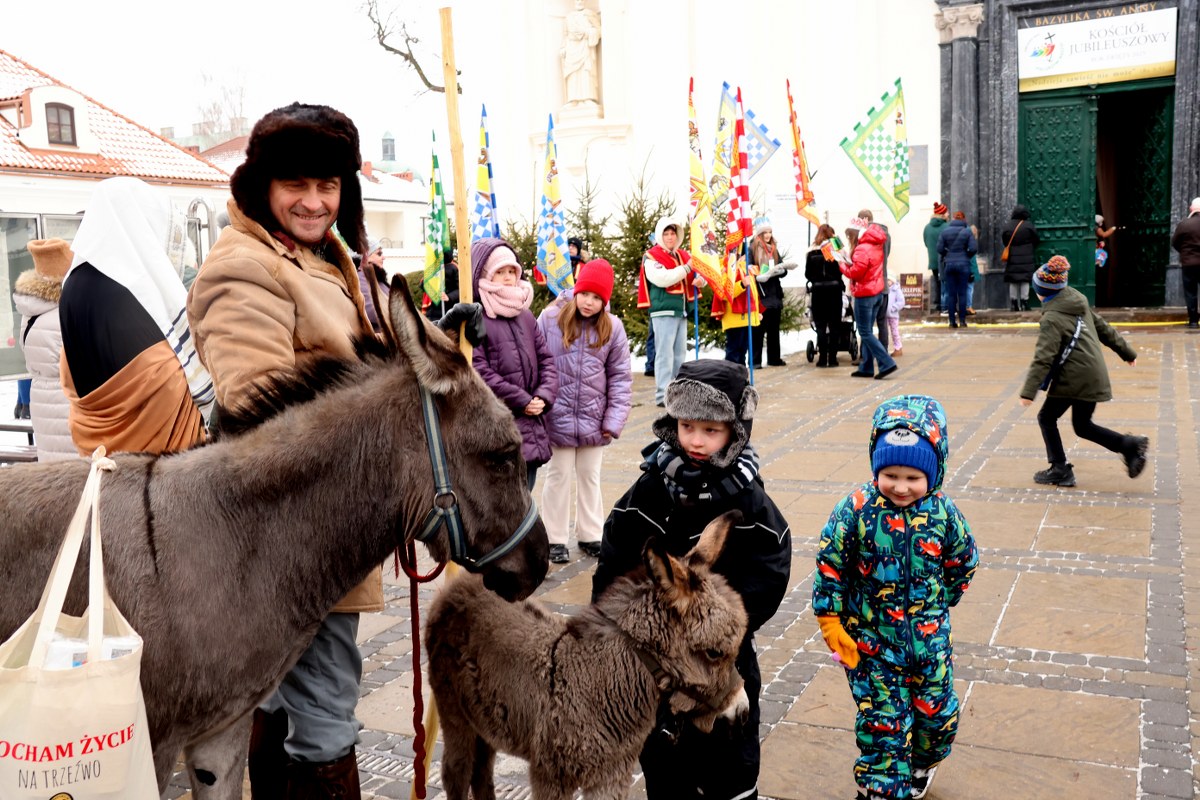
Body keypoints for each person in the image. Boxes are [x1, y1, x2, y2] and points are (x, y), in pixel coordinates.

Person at [188, 102, 383, 797]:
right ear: (263, 187)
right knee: (326, 706)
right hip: (293, 541)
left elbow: (343, 353)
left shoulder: (320, 255)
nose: (314, 201)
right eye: (296, 184)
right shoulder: (243, 266)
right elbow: (258, 407)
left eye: (328, 185)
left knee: (275, 699)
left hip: (324, 530)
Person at [592, 358, 791, 800]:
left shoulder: (751, 502)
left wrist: (720, 627)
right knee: (664, 761)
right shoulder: (647, 493)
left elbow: (771, 567)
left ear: (734, 432)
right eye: (687, 426)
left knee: (730, 756)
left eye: (711, 430)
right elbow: (613, 559)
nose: (696, 440)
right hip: (658, 666)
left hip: (723, 659)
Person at [813, 394, 978, 800]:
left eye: (913, 477)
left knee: (938, 719)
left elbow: (964, 560)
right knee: (884, 727)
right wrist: (831, 621)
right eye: (891, 475)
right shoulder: (855, 509)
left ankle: (922, 762)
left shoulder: (943, 513)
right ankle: (880, 790)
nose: (901, 487)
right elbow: (830, 563)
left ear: (934, 473)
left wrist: (939, 603)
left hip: (930, 642)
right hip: (871, 643)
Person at [61, 176, 214, 456]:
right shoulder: (129, 288)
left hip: (98, 451)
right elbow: (162, 381)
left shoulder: (72, 283)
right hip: (155, 467)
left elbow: (71, 372)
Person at [1018, 255, 1149, 487]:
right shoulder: (1077, 301)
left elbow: (1043, 357)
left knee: (1047, 418)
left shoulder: (1052, 317)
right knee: (1082, 425)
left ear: (1043, 292)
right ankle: (1129, 445)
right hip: (1093, 374)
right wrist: (1127, 352)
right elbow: (1104, 328)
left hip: (1075, 378)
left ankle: (1060, 469)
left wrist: (1028, 392)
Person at [536, 258, 631, 564]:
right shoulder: (550, 319)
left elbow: (620, 377)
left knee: (590, 476)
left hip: (594, 417)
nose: (589, 303)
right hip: (557, 414)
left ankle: (590, 533)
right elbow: (536, 363)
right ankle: (554, 537)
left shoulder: (613, 328)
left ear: (605, 301)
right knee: (558, 476)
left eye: (597, 298)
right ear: (576, 291)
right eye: (585, 294)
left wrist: (613, 420)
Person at [470, 236, 559, 491]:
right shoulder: (477, 316)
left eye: (512, 271)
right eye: (500, 271)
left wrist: (543, 396)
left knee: (525, 497)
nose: (509, 277)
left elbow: (546, 360)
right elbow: (479, 371)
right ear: (485, 274)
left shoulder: (525, 314)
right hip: (496, 429)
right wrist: (522, 400)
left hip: (531, 426)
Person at [13, 239, 74, 460]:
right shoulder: (66, 312)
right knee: (75, 473)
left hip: (41, 399)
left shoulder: (30, 311)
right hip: (68, 401)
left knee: (52, 463)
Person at [638, 216, 703, 405]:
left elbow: (695, 275)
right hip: (663, 310)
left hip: (680, 310)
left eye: (673, 233)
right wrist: (687, 268)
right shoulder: (652, 256)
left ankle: (678, 392)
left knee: (679, 354)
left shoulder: (682, 255)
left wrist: (700, 281)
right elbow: (662, 278)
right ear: (660, 235)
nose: (669, 237)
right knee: (665, 354)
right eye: (666, 233)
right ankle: (662, 395)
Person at [841, 217, 897, 380]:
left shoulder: (862, 248)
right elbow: (867, 268)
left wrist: (841, 264)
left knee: (865, 332)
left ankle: (886, 362)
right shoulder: (875, 244)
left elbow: (855, 273)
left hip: (865, 295)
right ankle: (866, 367)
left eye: (849, 236)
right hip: (877, 292)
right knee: (868, 331)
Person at [748, 216, 793, 367]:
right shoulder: (752, 248)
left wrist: (779, 270)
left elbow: (783, 270)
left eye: (770, 232)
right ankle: (755, 361)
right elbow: (748, 269)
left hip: (774, 293)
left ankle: (774, 358)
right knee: (758, 330)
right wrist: (759, 275)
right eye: (765, 233)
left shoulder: (774, 249)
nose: (768, 235)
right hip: (761, 294)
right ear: (759, 234)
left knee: (774, 330)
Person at [712, 250, 762, 368]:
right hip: (734, 319)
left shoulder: (745, 268)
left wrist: (756, 313)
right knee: (733, 354)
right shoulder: (725, 267)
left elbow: (753, 294)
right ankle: (731, 381)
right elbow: (723, 293)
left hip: (746, 317)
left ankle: (740, 381)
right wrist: (741, 285)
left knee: (742, 354)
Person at [805, 224, 845, 367]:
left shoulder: (811, 253)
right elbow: (844, 268)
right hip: (834, 291)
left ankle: (822, 359)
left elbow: (807, 274)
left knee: (821, 326)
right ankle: (833, 359)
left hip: (818, 292)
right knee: (834, 325)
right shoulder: (836, 251)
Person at [936, 211, 977, 328]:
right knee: (962, 293)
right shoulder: (967, 232)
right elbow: (973, 248)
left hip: (949, 265)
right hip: (963, 265)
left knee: (951, 294)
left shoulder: (945, 232)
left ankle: (952, 321)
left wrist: (947, 255)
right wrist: (966, 255)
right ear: (963, 220)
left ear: (953, 219)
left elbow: (939, 248)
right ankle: (963, 321)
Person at [859, 208, 891, 350]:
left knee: (866, 324)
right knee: (882, 321)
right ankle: (883, 351)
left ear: (864, 220)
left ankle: (865, 354)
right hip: (883, 283)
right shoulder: (886, 235)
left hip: (870, 285)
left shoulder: (865, 236)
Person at [560, 0, 601, 105]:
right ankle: (573, 99)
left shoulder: (590, 14)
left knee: (586, 71)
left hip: (585, 46)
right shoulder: (569, 17)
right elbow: (565, 34)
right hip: (572, 48)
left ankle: (588, 98)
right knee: (573, 73)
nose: (579, 1)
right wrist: (563, 47)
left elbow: (599, 30)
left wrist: (589, 32)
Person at [1001, 204, 1040, 311]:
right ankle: (1024, 302)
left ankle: (1013, 303)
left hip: (1012, 256)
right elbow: (1036, 239)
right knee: (1025, 280)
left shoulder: (1008, 226)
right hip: (1026, 256)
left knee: (1013, 280)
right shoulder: (1028, 225)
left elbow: (1004, 241)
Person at [1171, 197, 1200, 329]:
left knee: (1190, 292)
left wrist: (1185, 253)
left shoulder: (1184, 224)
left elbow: (1175, 242)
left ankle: (1193, 320)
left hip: (1189, 263)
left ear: (1191, 209)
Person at [357, 237, 390, 333]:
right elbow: (373, 312)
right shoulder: (360, 280)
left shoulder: (376, 278)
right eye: (379, 254)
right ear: (365, 257)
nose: (383, 257)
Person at [922, 202, 949, 313]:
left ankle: (937, 302)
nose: (948, 214)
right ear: (942, 214)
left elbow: (926, 243)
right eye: (947, 212)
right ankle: (945, 305)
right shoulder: (947, 226)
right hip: (945, 258)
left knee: (938, 281)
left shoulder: (927, 228)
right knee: (946, 282)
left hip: (933, 259)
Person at [422, 250, 460, 323]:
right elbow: (423, 285)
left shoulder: (454, 268)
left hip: (449, 310)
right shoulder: (432, 268)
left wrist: (449, 297)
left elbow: (459, 289)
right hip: (432, 311)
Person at [885, 276, 905, 357]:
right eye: (886, 280)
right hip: (885, 315)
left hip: (893, 315)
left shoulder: (896, 290)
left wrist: (893, 308)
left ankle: (898, 347)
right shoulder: (884, 290)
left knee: (895, 332)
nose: (887, 282)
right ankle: (884, 348)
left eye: (889, 280)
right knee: (884, 332)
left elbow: (901, 302)